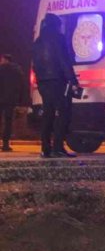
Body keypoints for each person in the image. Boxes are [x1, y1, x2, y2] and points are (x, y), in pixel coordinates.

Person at [31, 14, 78, 158]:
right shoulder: (58, 38)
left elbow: (35, 64)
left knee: (48, 114)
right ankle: (58, 147)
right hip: (57, 80)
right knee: (63, 113)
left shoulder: (38, 41)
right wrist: (73, 80)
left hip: (43, 82)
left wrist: (39, 80)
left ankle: (45, 148)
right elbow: (63, 60)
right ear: (56, 25)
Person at [0, 53, 26, 152]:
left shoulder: (1, 69)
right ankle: (5, 144)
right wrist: (20, 100)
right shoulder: (18, 71)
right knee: (8, 122)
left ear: (5, 60)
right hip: (11, 100)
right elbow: (22, 86)